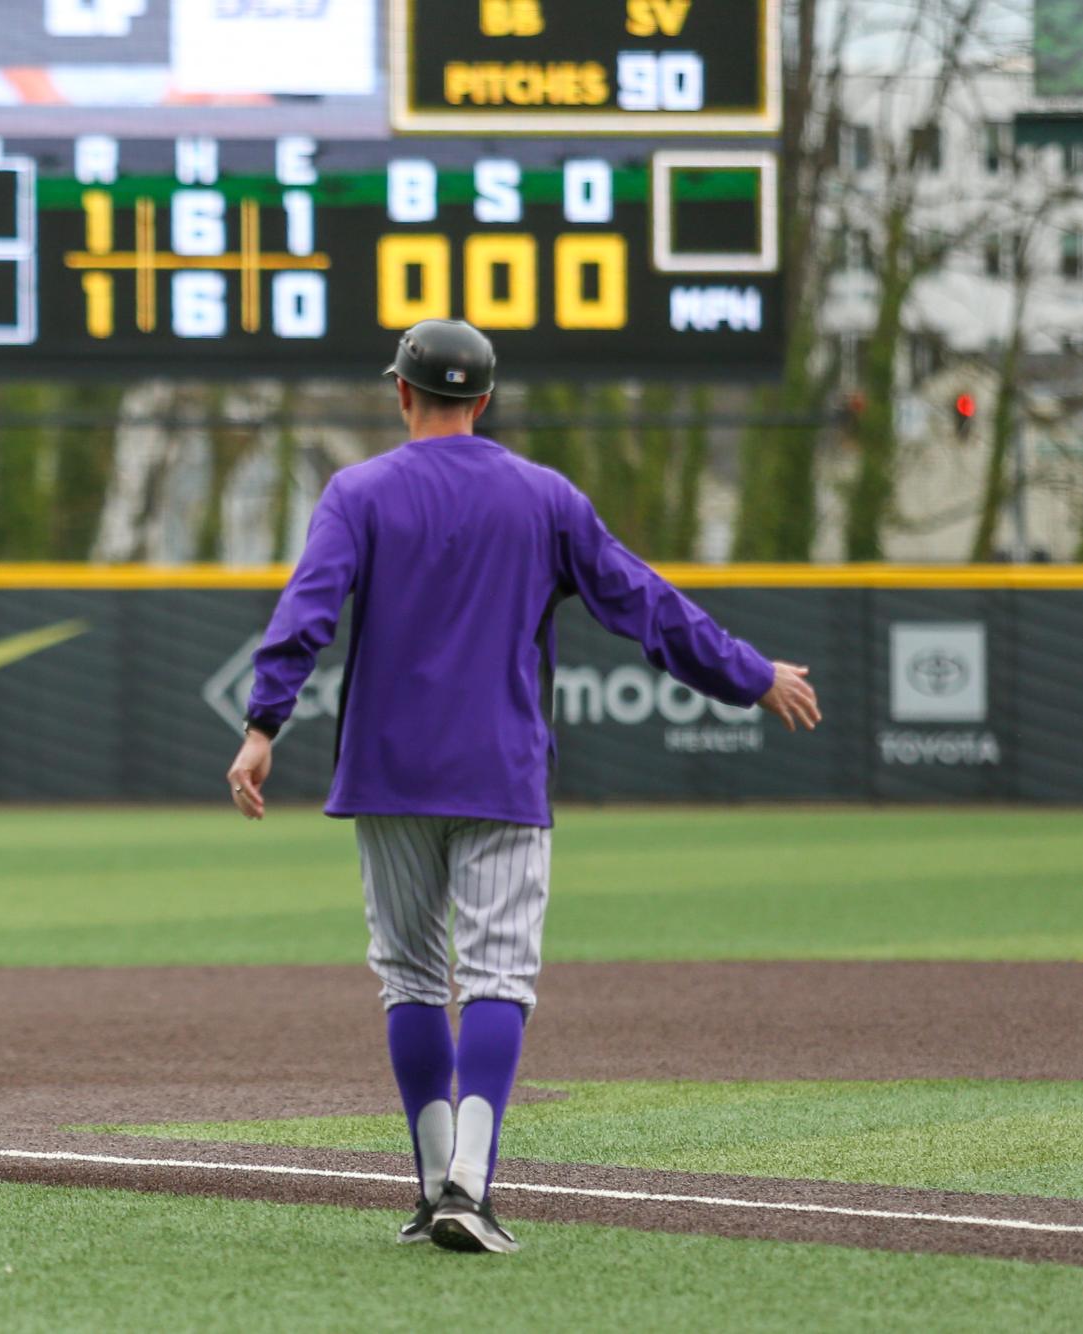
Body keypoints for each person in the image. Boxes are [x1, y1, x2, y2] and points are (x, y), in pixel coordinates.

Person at [224, 320, 820, 1254]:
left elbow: (305, 614)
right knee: (498, 977)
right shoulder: (543, 496)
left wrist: (264, 726)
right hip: (499, 769)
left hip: (386, 772)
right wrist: (748, 674)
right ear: (486, 399)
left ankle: (432, 1190)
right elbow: (644, 605)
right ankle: (469, 1184)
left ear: (400, 393)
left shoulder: (359, 491)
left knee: (412, 979)